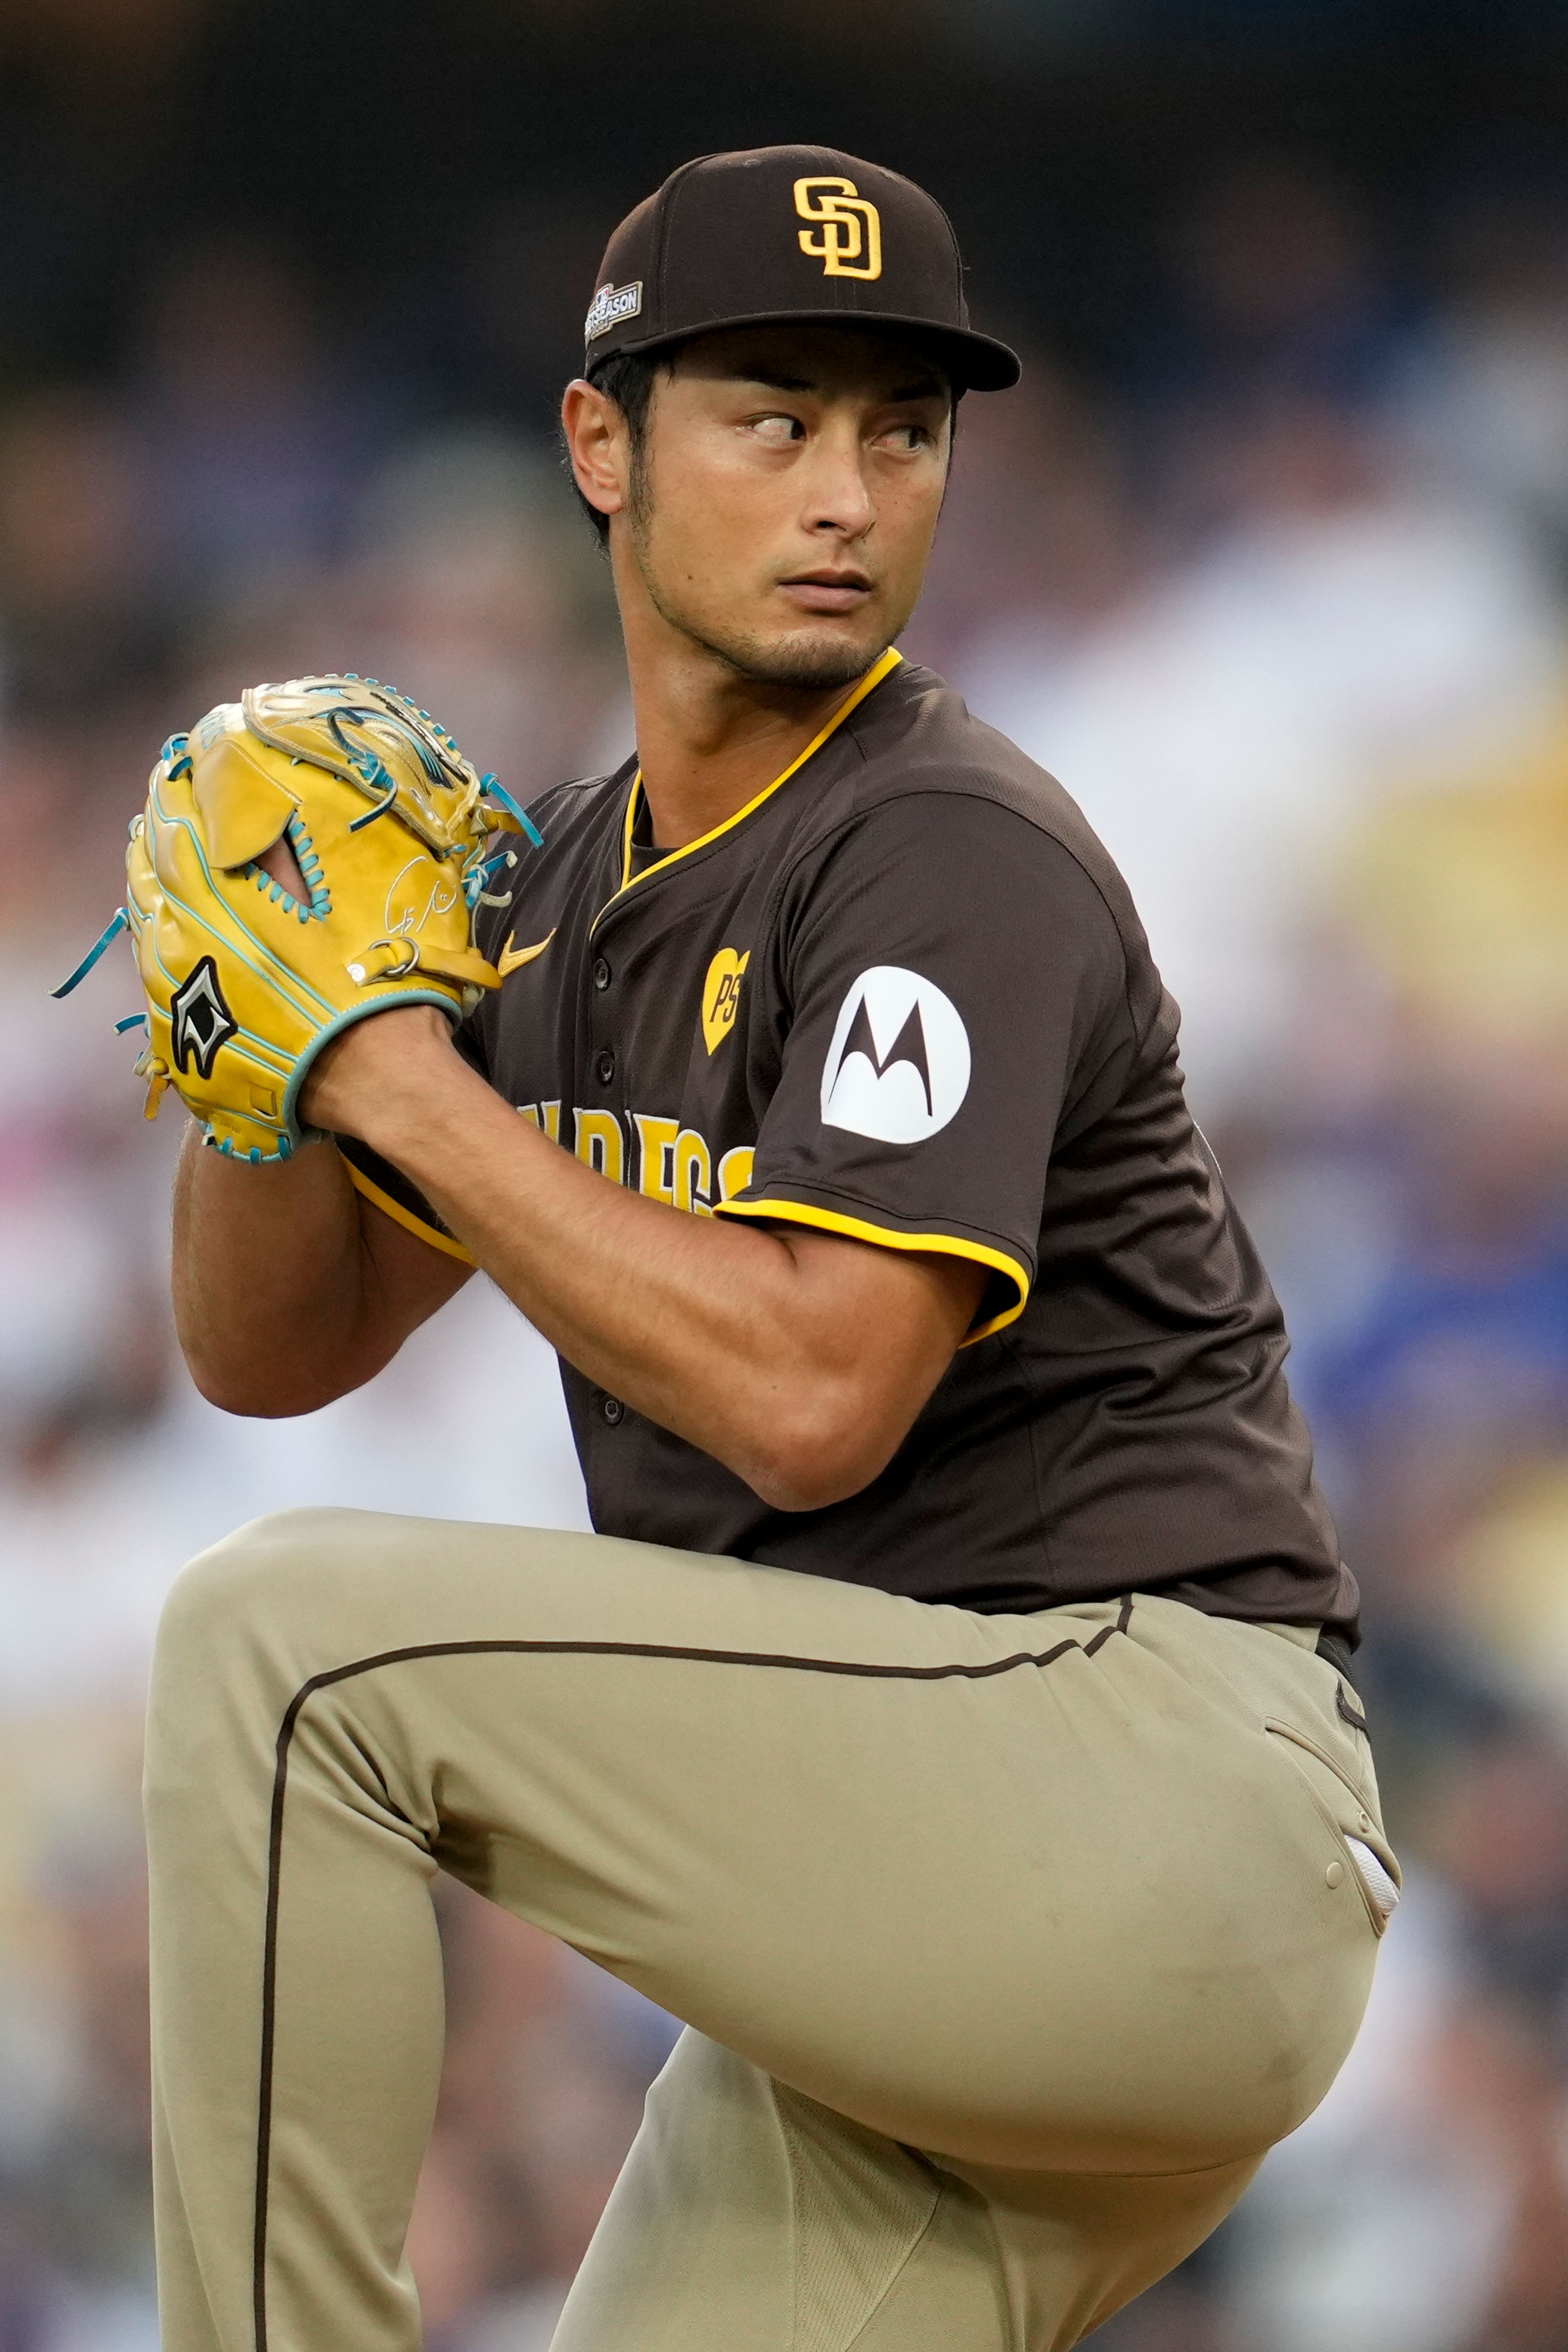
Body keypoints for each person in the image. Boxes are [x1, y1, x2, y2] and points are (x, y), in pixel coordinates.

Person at [144, 145, 1397, 2352]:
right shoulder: (564, 881)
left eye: (901, 427)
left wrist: (401, 1080)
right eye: (777, 417)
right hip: (915, 1892)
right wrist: (268, 1070)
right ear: (601, 446)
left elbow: (819, 1405)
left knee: (286, 1657)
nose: (849, 489)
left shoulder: (940, 847)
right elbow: (275, 1351)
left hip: (1140, 1785)